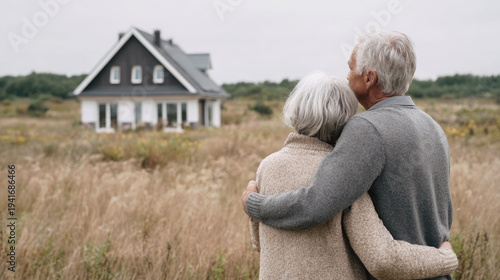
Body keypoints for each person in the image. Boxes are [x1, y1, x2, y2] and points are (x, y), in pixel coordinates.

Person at [242, 31, 455, 280]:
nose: (346, 75)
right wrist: (443, 259)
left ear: (369, 78)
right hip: (435, 272)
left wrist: (253, 203)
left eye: (351, 68)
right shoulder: (433, 127)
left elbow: (316, 203)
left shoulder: (367, 128)